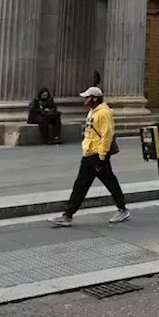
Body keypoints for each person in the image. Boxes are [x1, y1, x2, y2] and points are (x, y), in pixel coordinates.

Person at [49, 87, 130, 227]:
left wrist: (102, 156)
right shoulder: (93, 111)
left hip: (97, 155)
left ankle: (68, 215)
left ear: (94, 98)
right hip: (90, 153)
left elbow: (107, 135)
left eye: (87, 97)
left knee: (97, 183)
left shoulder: (103, 113)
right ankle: (68, 215)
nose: (84, 100)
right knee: (85, 184)